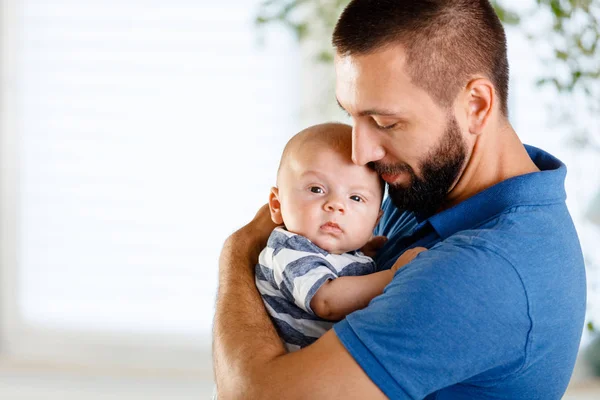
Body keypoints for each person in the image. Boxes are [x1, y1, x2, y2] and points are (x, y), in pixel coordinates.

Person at [213, 0, 586, 398]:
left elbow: (250, 395)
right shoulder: (432, 182)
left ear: (476, 106)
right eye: (351, 116)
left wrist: (238, 250)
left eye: (386, 123)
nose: (361, 153)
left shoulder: (485, 271)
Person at [255, 123, 425, 352]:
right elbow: (327, 301)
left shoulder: (335, 251)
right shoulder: (287, 250)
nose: (336, 205)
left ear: (375, 221)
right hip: (297, 376)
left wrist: (361, 252)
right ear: (277, 205)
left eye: (355, 198)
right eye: (316, 189)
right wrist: (393, 275)